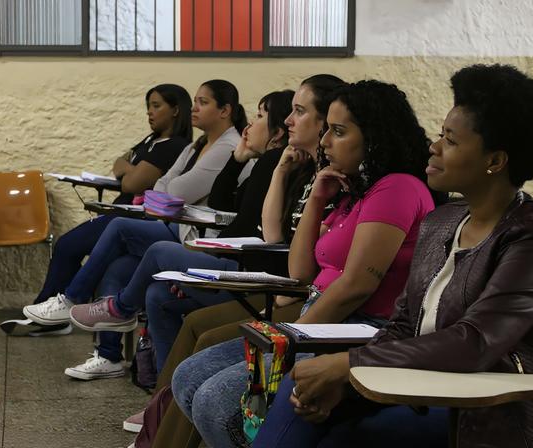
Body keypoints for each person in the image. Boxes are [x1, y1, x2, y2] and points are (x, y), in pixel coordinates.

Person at [253, 64, 533, 448]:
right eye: (440, 135)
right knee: (304, 393)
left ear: (495, 161)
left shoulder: (531, 242)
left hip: (494, 407)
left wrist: (348, 365)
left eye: (452, 142)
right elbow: (404, 324)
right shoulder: (443, 222)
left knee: (349, 435)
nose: (434, 147)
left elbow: (473, 342)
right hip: (421, 379)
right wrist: (346, 382)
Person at [171, 79, 442, 448]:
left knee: (215, 401)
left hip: (355, 326)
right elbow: (301, 272)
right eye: (327, 129)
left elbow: (356, 286)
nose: (326, 141)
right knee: (188, 375)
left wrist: (289, 337)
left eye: (339, 132)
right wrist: (316, 198)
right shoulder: (354, 191)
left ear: (374, 138)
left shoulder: (397, 188)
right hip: (319, 317)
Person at [135, 74, 347, 448]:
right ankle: (158, 416)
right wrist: (279, 170)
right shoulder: (297, 171)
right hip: (277, 288)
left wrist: (272, 167)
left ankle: (159, 410)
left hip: (288, 297)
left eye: (298, 112)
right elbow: (269, 234)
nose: (286, 122)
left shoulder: (333, 183)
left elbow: (272, 246)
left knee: (163, 266)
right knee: (158, 297)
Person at [23, 80, 248, 378]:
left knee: (118, 228)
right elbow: (162, 185)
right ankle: (108, 356)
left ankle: (73, 299)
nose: (195, 108)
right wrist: (166, 191)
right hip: (174, 226)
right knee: (117, 265)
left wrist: (166, 192)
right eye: (194, 100)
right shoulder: (198, 145)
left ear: (225, 110)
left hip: (195, 237)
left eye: (203, 102)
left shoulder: (227, 147)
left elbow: (175, 190)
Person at [68, 89, 294, 376]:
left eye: (260, 117)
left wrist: (193, 265)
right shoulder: (215, 150)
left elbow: (238, 224)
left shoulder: (272, 165)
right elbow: (222, 205)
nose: (248, 126)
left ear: (277, 132)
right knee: (154, 292)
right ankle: (161, 398)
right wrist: (238, 159)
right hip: (228, 258)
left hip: (247, 275)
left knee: (154, 249)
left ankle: (117, 308)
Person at [17, 84, 192, 335]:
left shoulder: (175, 146)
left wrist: (130, 169)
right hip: (118, 211)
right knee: (68, 246)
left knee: (69, 245)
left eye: (156, 106)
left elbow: (131, 182)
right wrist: (133, 168)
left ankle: (56, 310)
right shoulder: (152, 141)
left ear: (175, 110)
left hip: (131, 217)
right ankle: (52, 312)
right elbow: (118, 164)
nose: (149, 113)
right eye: (148, 107)